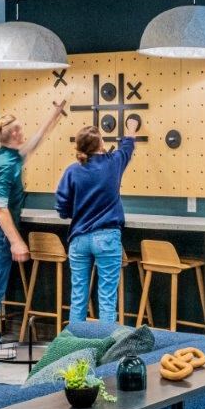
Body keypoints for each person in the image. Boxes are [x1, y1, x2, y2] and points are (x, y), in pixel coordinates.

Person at [0, 102, 67, 351]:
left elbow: (36, 140)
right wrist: (16, 240)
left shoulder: (9, 155)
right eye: (20, 128)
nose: (24, 131)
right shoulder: (6, 165)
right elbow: (0, 208)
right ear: (12, 134)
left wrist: (54, 114)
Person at [55, 116, 140, 324]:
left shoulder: (72, 170)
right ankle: (105, 350)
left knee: (78, 297)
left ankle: (74, 350)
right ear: (101, 144)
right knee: (107, 298)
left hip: (79, 239)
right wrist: (131, 126)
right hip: (107, 237)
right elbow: (128, 146)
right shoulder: (113, 164)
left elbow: (62, 206)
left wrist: (73, 213)